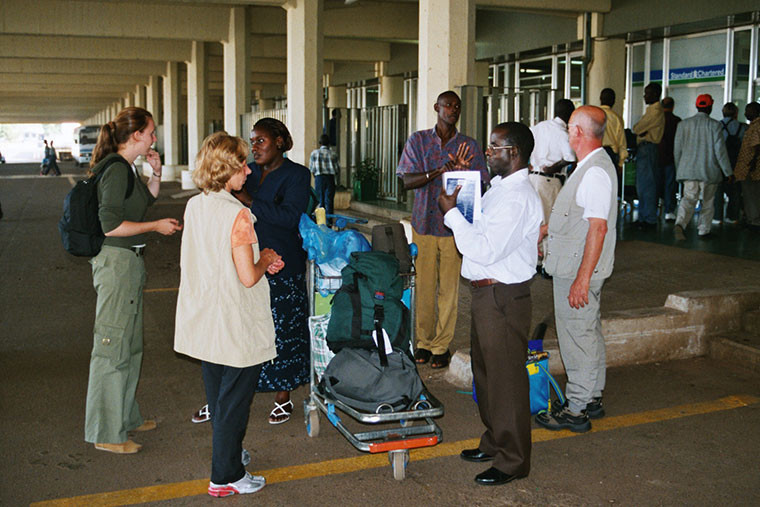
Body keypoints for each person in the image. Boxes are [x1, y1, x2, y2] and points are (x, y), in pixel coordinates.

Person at [175, 132, 284, 497]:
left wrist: (257, 259)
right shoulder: (238, 214)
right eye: (241, 165)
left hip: (206, 318)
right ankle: (226, 476)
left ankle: (230, 455)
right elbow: (247, 276)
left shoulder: (196, 205)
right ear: (225, 169)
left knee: (220, 398)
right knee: (234, 403)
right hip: (234, 323)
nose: (249, 171)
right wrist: (266, 257)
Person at [439, 122, 541, 486]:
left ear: (513, 153)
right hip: (486, 293)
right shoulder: (499, 189)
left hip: (503, 296)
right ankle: (496, 440)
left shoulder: (518, 198)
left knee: (506, 380)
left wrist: (450, 213)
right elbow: (479, 228)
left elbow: (483, 247)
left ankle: (513, 460)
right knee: (486, 375)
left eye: (494, 148)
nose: (488, 153)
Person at [192, 118, 311, 426]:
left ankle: (282, 397)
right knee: (236, 330)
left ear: (280, 142)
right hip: (244, 262)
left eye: (261, 141)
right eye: (253, 141)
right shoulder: (247, 172)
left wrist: (248, 201)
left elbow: (288, 217)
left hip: (282, 265)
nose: (255, 148)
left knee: (283, 332)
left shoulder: (296, 175)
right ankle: (220, 399)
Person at [84, 107, 182, 454]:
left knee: (129, 345)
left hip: (129, 263)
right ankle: (106, 433)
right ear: (136, 135)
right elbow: (110, 225)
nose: (155, 138)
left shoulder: (126, 169)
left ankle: (124, 416)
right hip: (116, 263)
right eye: (151, 132)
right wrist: (156, 227)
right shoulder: (114, 170)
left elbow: (141, 204)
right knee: (112, 346)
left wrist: (154, 174)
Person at [536, 105, 618, 433]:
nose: (568, 133)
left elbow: (598, 229)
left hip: (576, 270)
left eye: (570, 127)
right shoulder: (589, 166)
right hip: (575, 264)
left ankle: (576, 408)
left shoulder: (594, 171)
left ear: (579, 133)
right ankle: (593, 396)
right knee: (587, 331)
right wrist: (547, 230)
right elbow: (582, 220)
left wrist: (582, 280)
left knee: (577, 337)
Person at [396, 90, 489, 369]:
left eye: (457, 106)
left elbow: (481, 185)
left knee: (448, 289)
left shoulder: (468, 146)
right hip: (424, 223)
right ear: (436, 107)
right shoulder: (419, 140)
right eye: (448, 105)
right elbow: (407, 181)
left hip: (453, 228)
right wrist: (439, 171)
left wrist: (463, 173)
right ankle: (423, 342)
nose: (453, 109)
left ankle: (441, 345)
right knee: (423, 286)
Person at [672, 94, 732, 240]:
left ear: (697, 106)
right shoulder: (715, 125)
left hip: (688, 170)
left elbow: (677, 150)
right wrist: (728, 172)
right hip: (709, 171)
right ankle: (704, 230)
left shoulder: (683, 125)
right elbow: (720, 151)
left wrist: (679, 168)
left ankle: (680, 223)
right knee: (708, 202)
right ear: (710, 107)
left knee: (688, 199)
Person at [529, 99, 576, 276]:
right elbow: (571, 157)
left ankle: (536, 259)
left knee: (536, 220)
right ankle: (548, 265)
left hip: (533, 179)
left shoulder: (538, 127)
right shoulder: (562, 133)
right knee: (550, 222)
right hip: (550, 181)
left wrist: (531, 165)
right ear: (570, 115)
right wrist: (556, 166)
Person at [632, 82, 665, 229]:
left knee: (647, 186)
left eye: (647, 93)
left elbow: (637, 128)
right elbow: (639, 130)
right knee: (643, 185)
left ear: (655, 95)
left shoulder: (655, 111)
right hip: (645, 149)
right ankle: (644, 217)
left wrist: (641, 132)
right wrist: (641, 132)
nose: (645, 96)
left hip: (648, 149)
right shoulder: (651, 110)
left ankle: (649, 219)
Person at [715, 102, 747, 224]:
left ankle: (717, 217)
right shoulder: (742, 127)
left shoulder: (717, 126)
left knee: (718, 190)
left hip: (719, 162)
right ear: (736, 113)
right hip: (736, 162)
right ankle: (732, 216)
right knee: (735, 191)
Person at [734, 102, 760, 232]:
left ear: (755, 111)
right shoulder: (752, 126)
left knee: (752, 195)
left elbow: (757, 146)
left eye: (748, 111)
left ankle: (754, 221)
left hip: (751, 168)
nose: (745, 113)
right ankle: (751, 219)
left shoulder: (757, 126)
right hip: (749, 167)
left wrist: (753, 162)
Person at [658, 97, 682, 221]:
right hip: (671, 157)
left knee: (657, 183)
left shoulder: (657, 120)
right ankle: (669, 211)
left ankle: (657, 207)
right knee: (670, 185)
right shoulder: (677, 121)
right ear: (673, 106)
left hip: (657, 156)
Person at [309, 133, 339, 216]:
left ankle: (321, 222)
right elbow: (337, 169)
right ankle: (329, 222)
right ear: (329, 143)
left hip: (319, 178)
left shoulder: (314, 153)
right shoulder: (333, 154)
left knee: (320, 201)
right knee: (329, 201)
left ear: (320, 143)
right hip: (330, 178)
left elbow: (312, 168)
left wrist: (316, 176)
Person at [599, 88, 627, 173]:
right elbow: (622, 142)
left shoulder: (593, 115)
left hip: (596, 153)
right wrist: (621, 163)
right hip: (610, 155)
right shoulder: (617, 118)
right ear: (613, 101)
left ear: (600, 99)